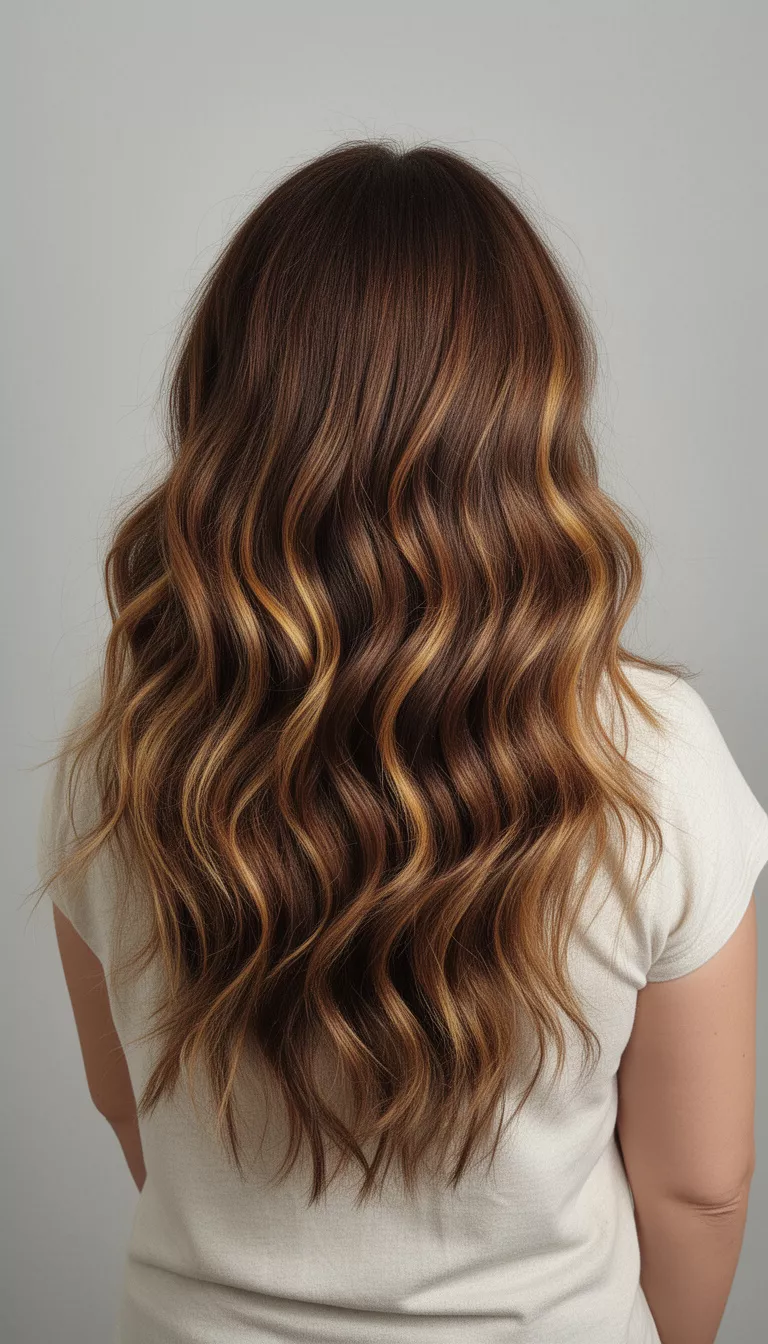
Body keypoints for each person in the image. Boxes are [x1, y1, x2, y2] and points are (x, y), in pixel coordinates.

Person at [35, 139, 768, 1344]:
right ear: (529, 410)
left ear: (227, 403)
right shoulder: (653, 753)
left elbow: (128, 1109)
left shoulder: (125, 741)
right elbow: (703, 1184)